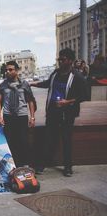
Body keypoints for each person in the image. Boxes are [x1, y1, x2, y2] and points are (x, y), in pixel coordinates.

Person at [31, 48, 86, 177]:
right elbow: (47, 83)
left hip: (67, 113)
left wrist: (66, 102)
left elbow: (83, 96)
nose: (60, 61)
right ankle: (43, 164)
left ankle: (68, 167)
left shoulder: (77, 76)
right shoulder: (56, 73)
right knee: (48, 138)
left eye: (63, 59)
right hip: (52, 112)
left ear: (70, 61)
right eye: (59, 59)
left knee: (66, 139)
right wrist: (34, 84)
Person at [0, 61, 36, 167]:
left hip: (21, 116)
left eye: (10, 69)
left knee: (23, 141)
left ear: (17, 70)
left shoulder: (24, 84)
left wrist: (32, 117)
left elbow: (30, 101)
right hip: (8, 117)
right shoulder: (3, 85)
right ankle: (13, 166)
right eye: (6, 70)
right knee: (10, 142)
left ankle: (25, 165)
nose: (7, 72)